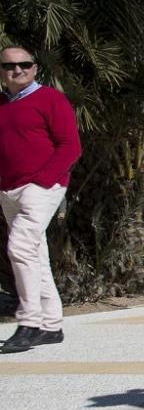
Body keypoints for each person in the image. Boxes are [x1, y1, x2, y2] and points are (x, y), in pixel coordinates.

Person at [0, 46, 81, 354]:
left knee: (19, 246)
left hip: (42, 186)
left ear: (34, 68)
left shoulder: (50, 99)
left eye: (24, 64)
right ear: (2, 70)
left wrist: (43, 180)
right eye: (9, 65)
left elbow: (70, 145)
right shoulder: (2, 105)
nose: (17, 70)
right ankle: (51, 325)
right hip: (8, 189)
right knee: (35, 254)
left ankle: (29, 322)